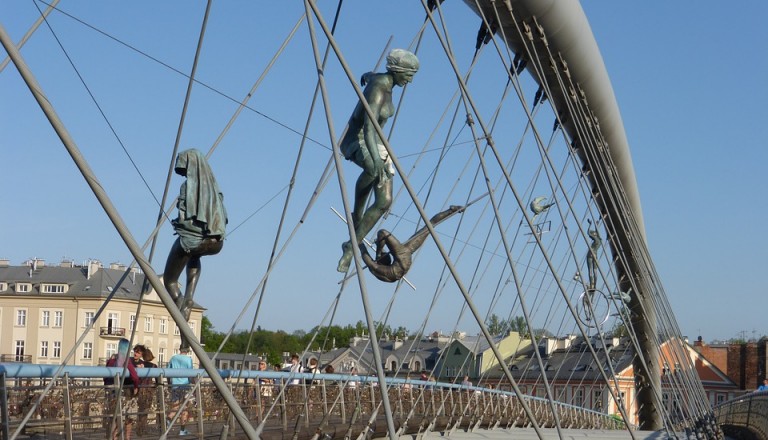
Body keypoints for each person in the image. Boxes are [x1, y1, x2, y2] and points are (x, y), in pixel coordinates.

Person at [337, 49, 420, 272]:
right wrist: (376, 160)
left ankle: (351, 240)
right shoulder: (378, 89)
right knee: (374, 170)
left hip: (377, 143)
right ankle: (353, 234)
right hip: (358, 141)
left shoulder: (385, 81)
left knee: (384, 202)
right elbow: (368, 127)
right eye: (409, 75)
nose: (410, 81)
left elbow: (371, 75)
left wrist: (368, 73)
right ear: (398, 71)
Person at [163, 148, 227, 349]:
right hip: (216, 243)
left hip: (192, 240)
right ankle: (190, 294)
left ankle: (184, 331)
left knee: (170, 281)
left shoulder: (187, 187)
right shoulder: (214, 188)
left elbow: (186, 218)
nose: (182, 174)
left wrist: (178, 224)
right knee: (194, 256)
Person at [360, 205, 463, 282]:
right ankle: (451, 210)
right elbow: (369, 260)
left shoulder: (383, 272)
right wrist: (361, 244)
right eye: (384, 253)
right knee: (382, 233)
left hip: (407, 255)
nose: (385, 251)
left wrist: (361, 245)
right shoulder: (380, 270)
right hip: (403, 256)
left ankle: (451, 210)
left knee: (429, 226)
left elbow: (369, 260)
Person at [106, 338, 139, 440]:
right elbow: (135, 377)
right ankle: (127, 438)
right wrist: (136, 387)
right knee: (128, 417)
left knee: (115, 418)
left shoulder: (111, 361)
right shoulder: (127, 362)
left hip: (112, 392)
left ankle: (114, 438)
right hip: (125, 392)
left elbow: (105, 377)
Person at [167, 347, 195, 436]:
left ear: (180, 350)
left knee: (175, 407)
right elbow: (191, 374)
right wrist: (193, 384)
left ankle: (168, 419)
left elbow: (168, 372)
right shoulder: (188, 359)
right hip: (185, 386)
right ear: (187, 351)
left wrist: (169, 383)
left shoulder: (173, 358)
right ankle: (182, 430)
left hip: (174, 386)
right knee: (185, 408)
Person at [132, 345, 157, 436]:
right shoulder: (154, 366)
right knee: (145, 409)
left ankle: (138, 428)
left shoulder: (139, 364)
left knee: (139, 409)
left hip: (140, 389)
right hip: (149, 390)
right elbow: (157, 379)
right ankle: (142, 428)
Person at [585, 219, 602, 291]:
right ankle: (595, 284)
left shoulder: (595, 239)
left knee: (590, 270)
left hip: (590, 255)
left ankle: (591, 284)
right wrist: (596, 225)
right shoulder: (599, 241)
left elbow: (588, 233)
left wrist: (590, 224)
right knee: (595, 271)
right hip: (595, 255)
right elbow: (597, 233)